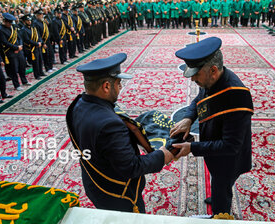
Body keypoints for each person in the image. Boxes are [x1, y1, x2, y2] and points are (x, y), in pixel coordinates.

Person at [66, 53, 173, 213]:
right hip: (118, 195)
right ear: (106, 86)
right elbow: (131, 167)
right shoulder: (110, 124)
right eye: (118, 83)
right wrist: (163, 155)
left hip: (94, 183)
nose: (120, 87)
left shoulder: (78, 104)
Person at [171, 37, 253, 216]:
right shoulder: (212, 79)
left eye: (196, 74)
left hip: (229, 159)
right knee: (218, 183)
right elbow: (200, 98)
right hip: (216, 153)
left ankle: (220, 210)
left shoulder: (236, 96)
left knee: (222, 186)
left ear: (213, 70)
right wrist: (188, 118)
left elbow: (230, 146)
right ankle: (218, 196)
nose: (192, 79)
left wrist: (192, 147)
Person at [0, 13, 30, 91]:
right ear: (5, 21)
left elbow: (19, 37)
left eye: (11, 22)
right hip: (10, 52)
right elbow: (4, 42)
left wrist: (20, 46)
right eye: (9, 22)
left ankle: (24, 81)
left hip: (19, 50)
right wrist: (15, 47)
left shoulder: (13, 27)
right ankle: (16, 85)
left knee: (22, 66)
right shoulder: (0, 30)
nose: (10, 24)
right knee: (14, 69)